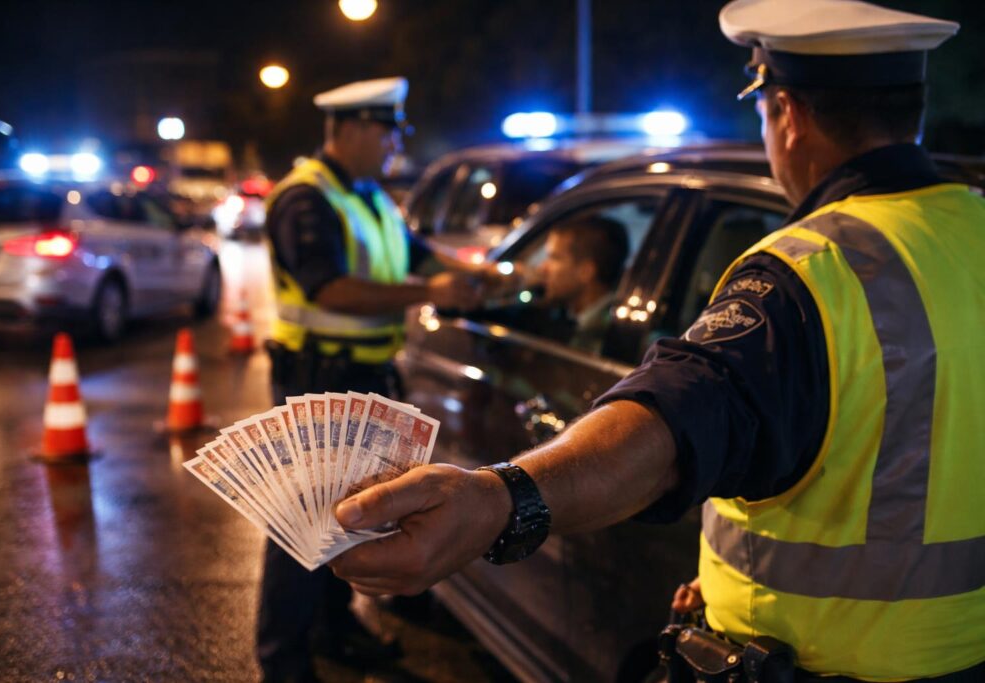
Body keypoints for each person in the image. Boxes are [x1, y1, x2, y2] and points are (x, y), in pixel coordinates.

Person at [328, 2, 985, 680]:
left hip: (822, 663)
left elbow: (676, 416)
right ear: (916, 109)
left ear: (786, 112)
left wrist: (499, 498)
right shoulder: (973, 225)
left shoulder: (812, 268)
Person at [258, 76, 488, 683]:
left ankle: (335, 632)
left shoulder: (372, 198)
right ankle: (283, 660)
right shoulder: (304, 199)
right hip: (320, 380)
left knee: (351, 518)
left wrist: (480, 273)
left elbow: (419, 256)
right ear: (354, 127)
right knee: (303, 528)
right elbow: (328, 288)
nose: (393, 145)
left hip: (367, 379)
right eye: (387, 131)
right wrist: (428, 291)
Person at [536, 216, 628, 354]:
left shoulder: (611, 336)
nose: (542, 268)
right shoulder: (566, 316)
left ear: (586, 271)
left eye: (555, 258)